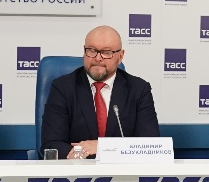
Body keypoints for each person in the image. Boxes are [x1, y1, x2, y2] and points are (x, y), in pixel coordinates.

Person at [41, 25, 159, 159]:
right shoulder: (63, 87)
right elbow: (51, 145)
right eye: (92, 50)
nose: (97, 58)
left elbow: (150, 145)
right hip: (78, 169)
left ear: (120, 56)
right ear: (84, 51)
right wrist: (88, 156)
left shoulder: (139, 89)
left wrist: (102, 148)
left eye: (106, 52)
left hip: (123, 170)